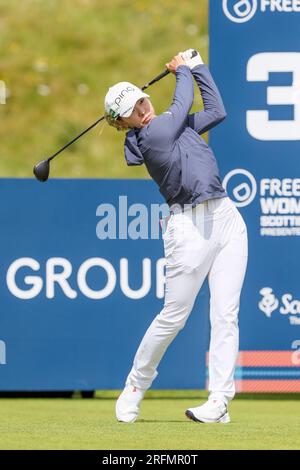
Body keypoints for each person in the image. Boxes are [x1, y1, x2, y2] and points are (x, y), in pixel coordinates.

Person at [104, 49, 248, 424]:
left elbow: (216, 111)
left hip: (226, 216)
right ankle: (135, 385)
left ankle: (219, 401)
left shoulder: (174, 126)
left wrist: (198, 67)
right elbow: (182, 100)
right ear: (123, 123)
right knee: (174, 316)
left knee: (225, 315)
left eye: (141, 101)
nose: (142, 110)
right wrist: (183, 70)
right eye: (132, 111)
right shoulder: (152, 136)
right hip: (190, 227)